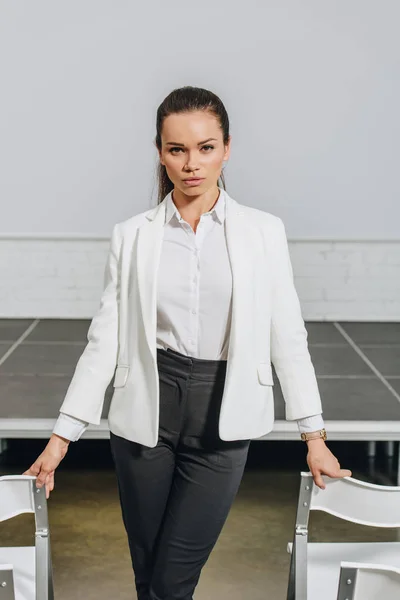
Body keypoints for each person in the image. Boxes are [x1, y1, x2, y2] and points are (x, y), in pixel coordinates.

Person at [24, 86, 352, 600]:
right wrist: (62, 436)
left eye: (205, 147)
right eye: (177, 149)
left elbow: (286, 333)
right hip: (145, 415)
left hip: (224, 414)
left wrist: (314, 435)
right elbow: (104, 340)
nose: (191, 163)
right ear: (160, 152)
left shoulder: (263, 232)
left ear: (226, 149)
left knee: (172, 579)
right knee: (150, 573)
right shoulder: (132, 236)